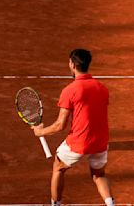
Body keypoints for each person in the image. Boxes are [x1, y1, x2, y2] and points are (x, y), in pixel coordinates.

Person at [31, 49, 115, 206]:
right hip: (101, 141)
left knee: (58, 167)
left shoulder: (70, 90)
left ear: (72, 64)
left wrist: (40, 131)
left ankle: (56, 204)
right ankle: (111, 204)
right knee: (98, 174)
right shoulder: (102, 88)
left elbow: (59, 125)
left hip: (79, 142)